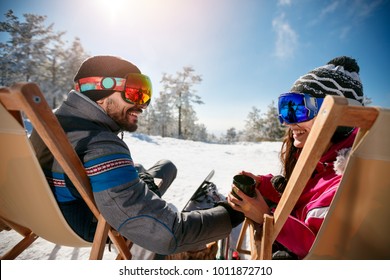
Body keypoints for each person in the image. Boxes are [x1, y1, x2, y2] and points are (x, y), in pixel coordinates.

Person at [30, 55, 244, 256]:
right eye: (135, 92)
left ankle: (140, 179)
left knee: (165, 166)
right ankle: (145, 184)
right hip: (92, 222)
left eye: (145, 94)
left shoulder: (49, 123)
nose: (143, 105)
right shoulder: (101, 144)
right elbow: (168, 234)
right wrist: (230, 214)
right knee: (156, 172)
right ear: (99, 90)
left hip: (47, 216)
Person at [227, 56, 365, 259]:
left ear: (340, 118)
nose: (287, 122)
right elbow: (305, 197)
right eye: (286, 108)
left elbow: (319, 251)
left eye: (299, 109)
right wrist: (265, 184)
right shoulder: (323, 161)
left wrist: (266, 217)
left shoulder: (345, 180)